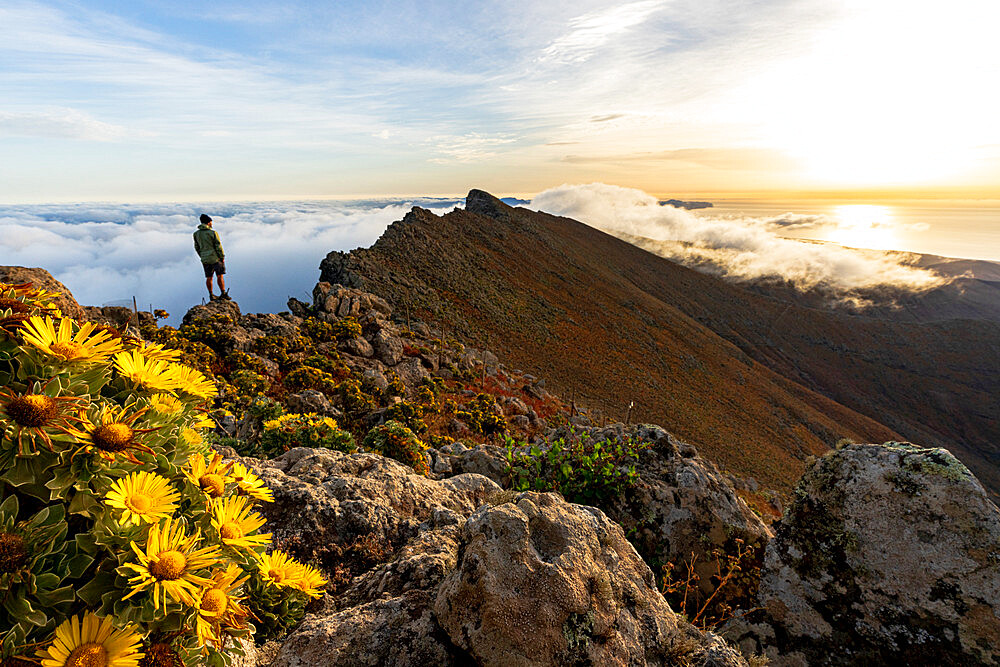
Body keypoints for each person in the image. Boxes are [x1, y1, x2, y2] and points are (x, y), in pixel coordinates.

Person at [193, 214, 230, 301]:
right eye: (211, 221)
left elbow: (197, 247)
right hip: (215, 258)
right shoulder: (213, 233)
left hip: (205, 259)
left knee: (209, 277)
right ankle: (223, 293)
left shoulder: (196, 234)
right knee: (219, 276)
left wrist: (202, 255)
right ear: (208, 222)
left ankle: (211, 295)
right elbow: (218, 246)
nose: (211, 223)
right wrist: (222, 257)